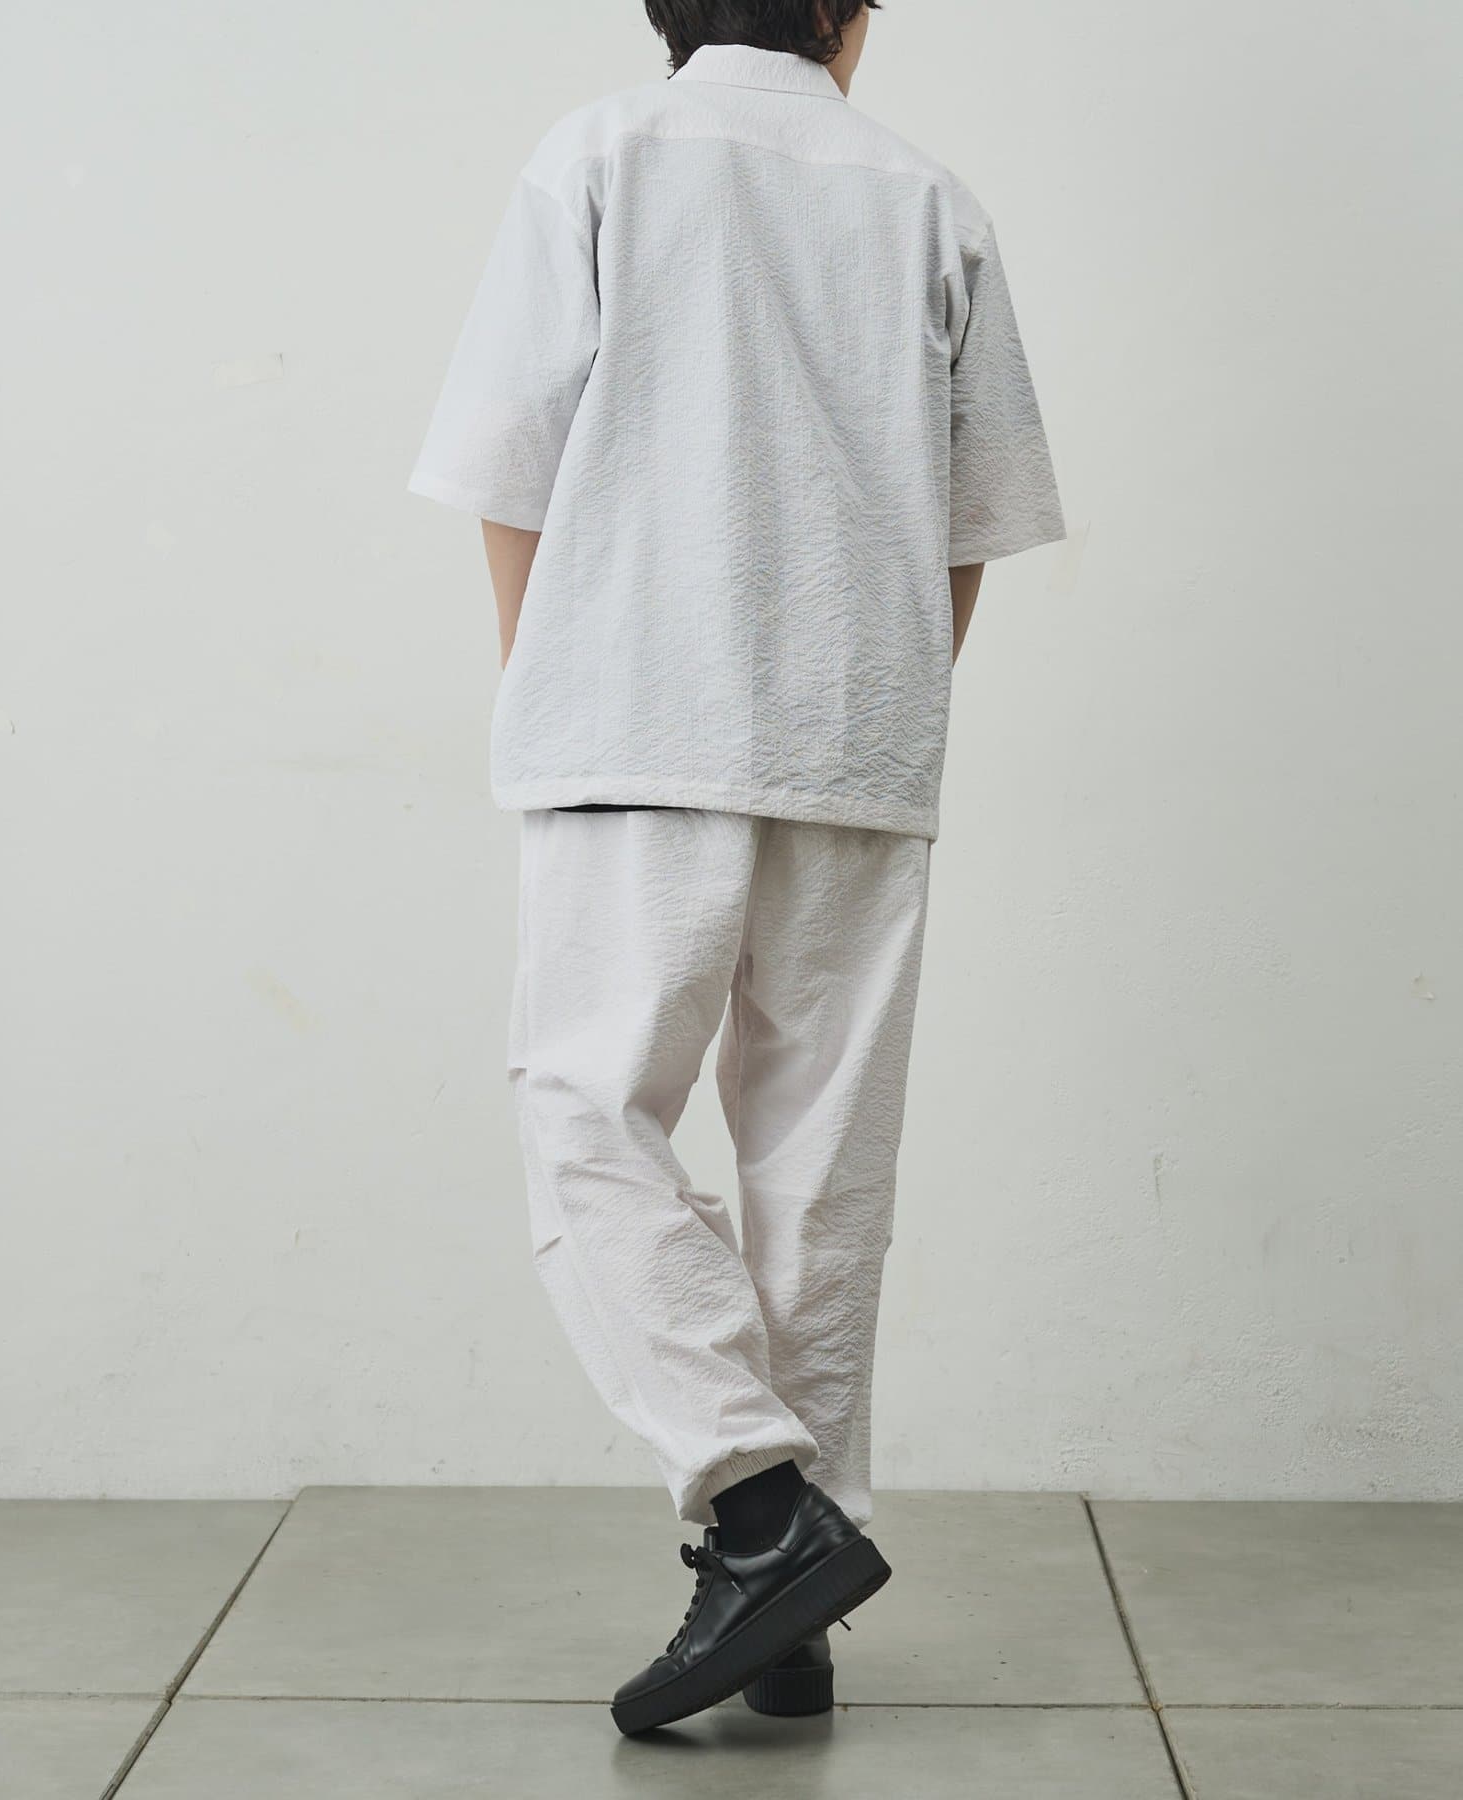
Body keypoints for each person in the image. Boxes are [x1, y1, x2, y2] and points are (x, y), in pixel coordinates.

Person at [408, 0, 1065, 1736]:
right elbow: (975, 515)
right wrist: (885, 705)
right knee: (821, 1174)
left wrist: (542, 674)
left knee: (584, 1111)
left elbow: (511, 459)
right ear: (851, 15)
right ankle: (790, 1620)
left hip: (633, 716)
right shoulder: (929, 198)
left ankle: (765, 1521)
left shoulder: (601, 156)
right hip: (858, 739)